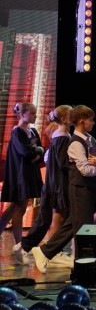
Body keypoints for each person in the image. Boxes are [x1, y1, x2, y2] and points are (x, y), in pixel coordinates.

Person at [32, 105, 96, 271]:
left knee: (77, 223)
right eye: (91, 120)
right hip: (79, 188)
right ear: (81, 121)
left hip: (89, 188)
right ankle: (80, 263)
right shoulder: (74, 143)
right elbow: (85, 170)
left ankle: (46, 251)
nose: (94, 123)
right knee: (80, 227)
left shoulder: (90, 139)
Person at [19, 105, 70, 264]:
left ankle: (28, 246)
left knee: (49, 218)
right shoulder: (61, 137)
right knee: (55, 217)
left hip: (55, 183)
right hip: (57, 184)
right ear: (63, 119)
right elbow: (62, 163)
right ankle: (51, 251)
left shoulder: (62, 136)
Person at [0, 103, 43, 255]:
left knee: (16, 206)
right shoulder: (17, 132)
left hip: (30, 172)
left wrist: (37, 153)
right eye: (32, 113)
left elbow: (41, 150)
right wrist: (35, 152)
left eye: (35, 113)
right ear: (22, 114)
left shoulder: (33, 131)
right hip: (20, 173)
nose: (35, 116)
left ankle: (17, 243)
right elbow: (25, 151)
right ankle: (19, 244)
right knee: (20, 206)